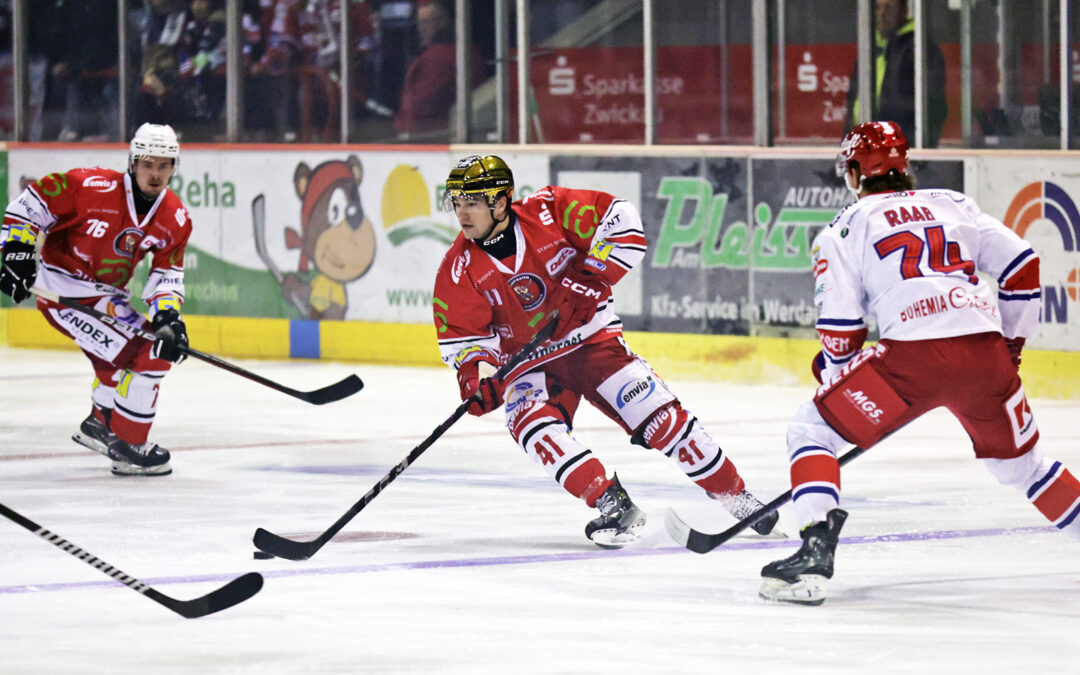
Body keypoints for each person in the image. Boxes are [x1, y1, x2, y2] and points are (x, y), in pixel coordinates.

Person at [759, 121, 1080, 606]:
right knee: (1024, 468)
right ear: (903, 166)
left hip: (911, 361)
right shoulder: (953, 204)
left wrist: (834, 376)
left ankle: (814, 550)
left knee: (812, 430)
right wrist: (1010, 347)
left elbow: (843, 329)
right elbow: (1023, 265)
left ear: (854, 171)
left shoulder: (844, 227)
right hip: (985, 357)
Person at [432, 155, 780, 548]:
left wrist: (589, 279)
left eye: (472, 202)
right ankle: (612, 504)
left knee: (661, 419)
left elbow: (623, 223)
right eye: (457, 202)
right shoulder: (457, 270)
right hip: (531, 366)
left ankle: (737, 497)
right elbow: (467, 343)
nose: (462, 213)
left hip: (592, 342)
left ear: (501, 200)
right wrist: (477, 381)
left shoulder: (548, 211)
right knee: (531, 425)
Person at [0, 123, 192, 477]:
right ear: (133, 162)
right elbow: (32, 203)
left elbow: (167, 273)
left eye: (164, 165)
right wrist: (16, 250)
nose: (155, 174)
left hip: (106, 296)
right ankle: (129, 443)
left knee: (149, 345)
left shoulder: (174, 217)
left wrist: (167, 316)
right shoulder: (90, 186)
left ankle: (99, 424)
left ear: (173, 167)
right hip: (63, 291)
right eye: (148, 164)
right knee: (148, 353)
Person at [845, 0, 947, 148]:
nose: (882, 13)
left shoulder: (921, 48)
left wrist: (912, 150)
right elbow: (854, 101)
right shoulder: (870, 46)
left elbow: (932, 105)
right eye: (878, 8)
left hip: (899, 150)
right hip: (865, 148)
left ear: (904, 11)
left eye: (888, 7)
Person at [393, 0, 484, 139]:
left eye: (427, 22)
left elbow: (419, 107)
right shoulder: (464, 50)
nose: (422, 28)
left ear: (443, 21)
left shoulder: (437, 58)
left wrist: (400, 126)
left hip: (433, 136)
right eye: (420, 23)